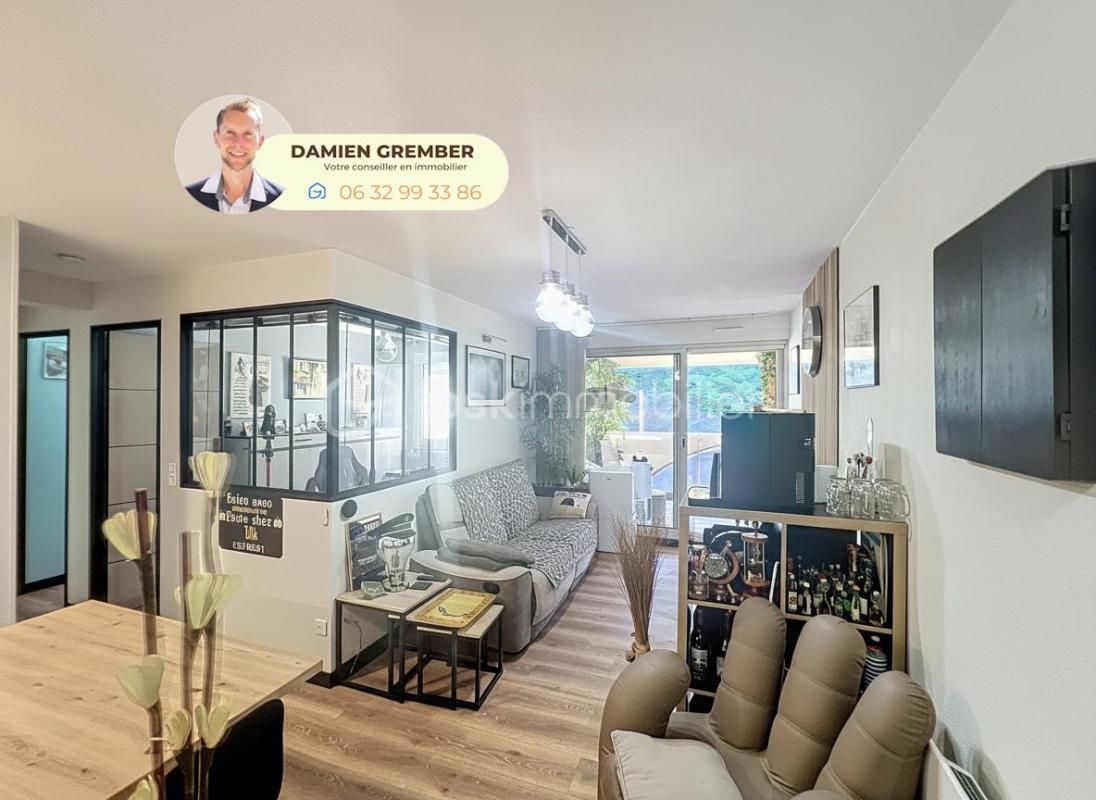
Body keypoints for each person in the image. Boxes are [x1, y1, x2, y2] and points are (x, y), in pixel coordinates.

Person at [186, 98, 283, 213]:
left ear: (260, 142)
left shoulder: (281, 198)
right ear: (216, 138)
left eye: (248, 134)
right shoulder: (188, 196)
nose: (238, 143)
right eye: (230, 133)